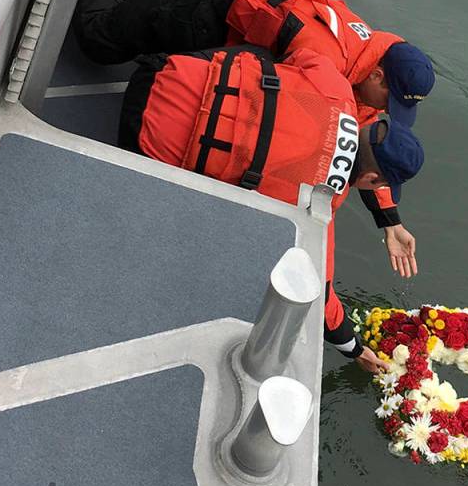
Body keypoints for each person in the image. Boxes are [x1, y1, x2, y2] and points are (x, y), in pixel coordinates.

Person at [72, 0, 432, 277]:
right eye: (391, 102)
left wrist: (389, 221)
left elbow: (366, 143)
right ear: (378, 76)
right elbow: (344, 138)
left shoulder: (366, 61)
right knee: (99, 40)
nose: (386, 113)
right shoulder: (327, 56)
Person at [120, 43, 425, 373]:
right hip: (142, 137)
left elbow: (299, 55)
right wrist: (354, 348)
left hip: (161, 68)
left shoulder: (336, 86)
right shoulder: (315, 212)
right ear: (370, 179)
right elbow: (320, 300)